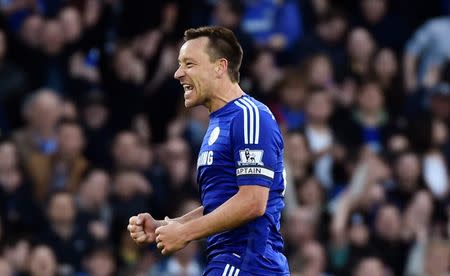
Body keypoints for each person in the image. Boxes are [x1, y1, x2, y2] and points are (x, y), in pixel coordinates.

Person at [128, 26, 289, 275]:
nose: (178, 73)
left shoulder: (249, 116)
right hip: (231, 261)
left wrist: (185, 233)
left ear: (220, 67)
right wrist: (169, 225)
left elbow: (253, 202)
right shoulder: (221, 121)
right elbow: (223, 203)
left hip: (247, 262)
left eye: (189, 64)